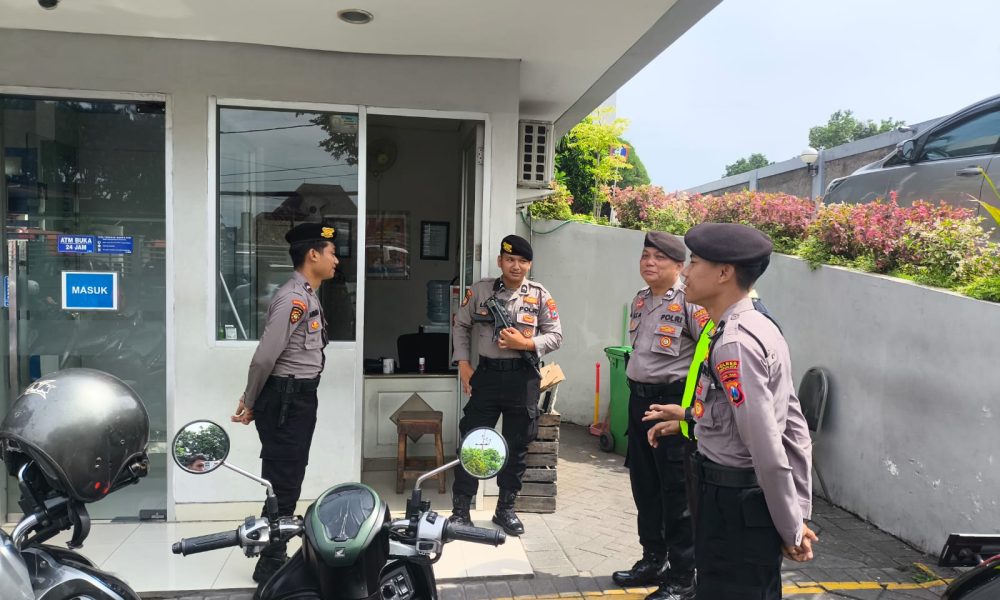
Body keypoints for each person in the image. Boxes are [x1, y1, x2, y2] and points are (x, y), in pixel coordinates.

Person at [645, 222, 816, 600]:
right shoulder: (759, 324)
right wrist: (797, 513)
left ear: (724, 273)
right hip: (742, 503)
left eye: (694, 263)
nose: (686, 273)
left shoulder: (735, 343)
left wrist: (791, 528)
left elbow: (767, 447)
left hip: (733, 507)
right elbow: (793, 425)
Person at [231, 222, 338, 583]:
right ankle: (271, 561)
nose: (336, 259)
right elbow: (265, 357)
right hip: (286, 400)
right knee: (285, 480)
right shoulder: (294, 298)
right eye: (331, 252)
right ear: (313, 255)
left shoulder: (307, 294)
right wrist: (250, 399)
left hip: (297, 398)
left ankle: (272, 552)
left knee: (287, 478)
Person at [612, 232, 708, 600]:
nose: (649, 262)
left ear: (679, 266)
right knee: (645, 486)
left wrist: (690, 412)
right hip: (639, 403)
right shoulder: (640, 299)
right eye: (645, 255)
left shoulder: (690, 303)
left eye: (659, 257)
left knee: (676, 491)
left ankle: (683, 578)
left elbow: (707, 359)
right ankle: (653, 560)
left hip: (671, 404)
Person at [449, 234, 563, 536]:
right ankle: (461, 511)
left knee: (517, 444)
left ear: (529, 265)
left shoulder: (539, 295)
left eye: (522, 261)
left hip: (522, 378)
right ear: (500, 261)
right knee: (473, 440)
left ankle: (505, 510)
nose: (516, 266)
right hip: (486, 375)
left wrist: (525, 343)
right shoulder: (481, 290)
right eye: (510, 259)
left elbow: (555, 336)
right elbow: (461, 324)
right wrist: (463, 363)